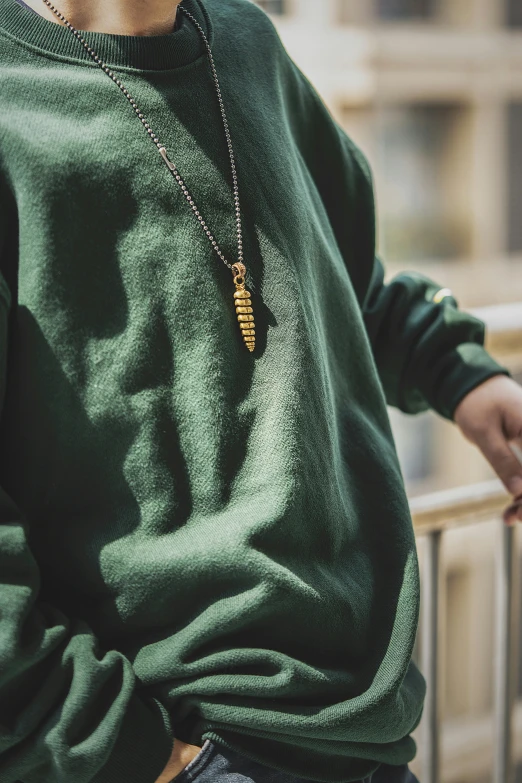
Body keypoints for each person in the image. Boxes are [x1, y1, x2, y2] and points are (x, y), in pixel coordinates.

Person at [0, 0, 521, 781]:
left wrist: (465, 379)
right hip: (182, 740)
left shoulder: (245, 44)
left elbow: (341, 271)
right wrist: (128, 753)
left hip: (366, 726)